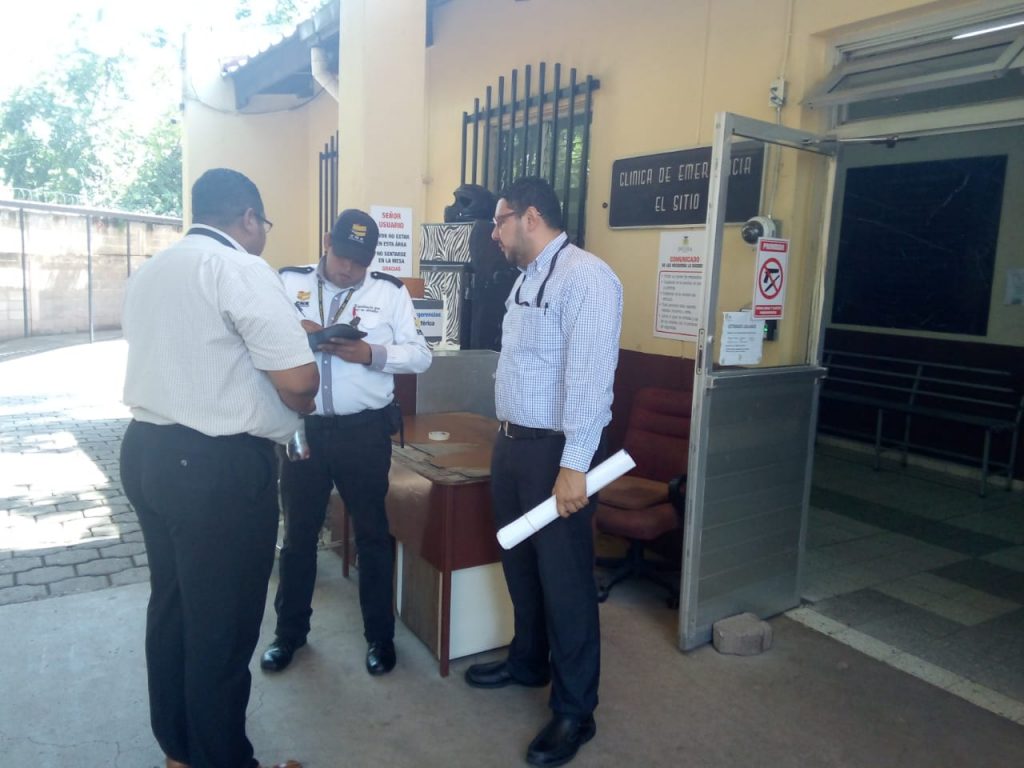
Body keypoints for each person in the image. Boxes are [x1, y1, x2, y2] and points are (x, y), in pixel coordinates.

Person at [119, 168, 317, 768]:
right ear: (248, 218)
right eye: (264, 223)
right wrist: (301, 398)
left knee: (174, 608)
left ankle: (179, 751)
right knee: (222, 628)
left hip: (147, 452)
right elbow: (299, 380)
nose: (264, 235)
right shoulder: (239, 267)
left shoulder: (152, 270)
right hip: (215, 469)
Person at [464, 177, 623, 767]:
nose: (494, 233)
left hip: (557, 453)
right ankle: (528, 660)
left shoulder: (588, 278)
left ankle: (576, 709)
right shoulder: (526, 278)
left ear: (530, 217)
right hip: (512, 445)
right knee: (521, 564)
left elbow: (591, 381)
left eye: (499, 220)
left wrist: (574, 466)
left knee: (566, 581)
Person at [260, 209, 432, 676]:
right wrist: (299, 336)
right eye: (342, 257)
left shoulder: (389, 292)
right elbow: (258, 338)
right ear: (326, 242)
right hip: (304, 429)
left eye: (360, 261)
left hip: (364, 433)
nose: (349, 269)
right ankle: (288, 634)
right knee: (298, 536)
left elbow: (421, 356)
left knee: (373, 535)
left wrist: (370, 353)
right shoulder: (287, 282)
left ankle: (380, 638)